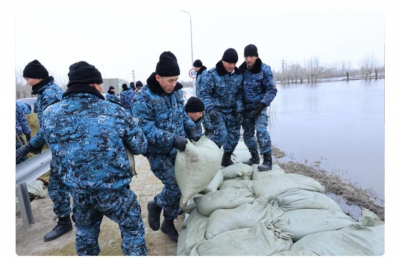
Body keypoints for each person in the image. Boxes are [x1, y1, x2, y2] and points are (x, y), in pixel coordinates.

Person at [41, 61, 148, 256]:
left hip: (80, 194)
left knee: (85, 237)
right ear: (94, 85)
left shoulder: (50, 114)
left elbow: (55, 150)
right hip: (114, 193)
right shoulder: (115, 111)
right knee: (132, 232)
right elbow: (140, 146)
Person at [133, 51, 200, 243]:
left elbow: (181, 116)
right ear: (158, 77)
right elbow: (143, 128)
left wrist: (192, 130)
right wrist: (172, 139)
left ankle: (168, 222)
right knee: (174, 186)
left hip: (176, 149)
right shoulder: (143, 97)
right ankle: (156, 204)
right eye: (170, 80)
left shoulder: (176, 92)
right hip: (156, 152)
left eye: (176, 80)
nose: (173, 84)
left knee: (182, 186)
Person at [15, 60, 71, 242]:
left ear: (38, 77)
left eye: (28, 78)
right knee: (69, 184)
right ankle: (75, 217)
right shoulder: (46, 92)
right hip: (61, 146)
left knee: (56, 187)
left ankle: (65, 222)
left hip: (63, 147)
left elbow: (49, 128)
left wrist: (28, 147)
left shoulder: (49, 94)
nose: (26, 82)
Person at [198, 48, 244, 167]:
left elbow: (239, 94)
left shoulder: (238, 76)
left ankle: (226, 158)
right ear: (223, 61)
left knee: (234, 136)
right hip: (216, 111)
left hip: (231, 111)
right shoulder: (212, 74)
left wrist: (239, 110)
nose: (232, 66)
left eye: (234, 63)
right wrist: (210, 108)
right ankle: (207, 158)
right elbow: (203, 93)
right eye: (229, 63)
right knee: (221, 135)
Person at [239, 44, 277, 171]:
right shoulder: (241, 70)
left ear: (256, 56)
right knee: (248, 134)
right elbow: (237, 91)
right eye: (246, 56)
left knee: (261, 132)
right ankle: (254, 157)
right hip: (246, 109)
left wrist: (262, 104)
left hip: (259, 107)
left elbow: (271, 91)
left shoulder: (264, 69)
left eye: (251, 56)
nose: (248, 59)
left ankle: (267, 161)